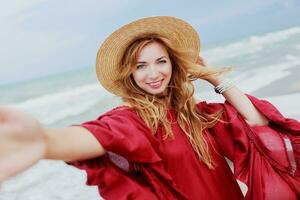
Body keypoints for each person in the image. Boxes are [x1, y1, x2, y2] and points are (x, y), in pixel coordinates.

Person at [0, 16, 299, 200]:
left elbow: (257, 122)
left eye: (160, 61)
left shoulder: (196, 114)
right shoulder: (133, 120)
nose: (153, 73)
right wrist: (44, 141)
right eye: (140, 66)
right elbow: (96, 137)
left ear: (173, 64)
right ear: (130, 73)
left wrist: (214, 77)